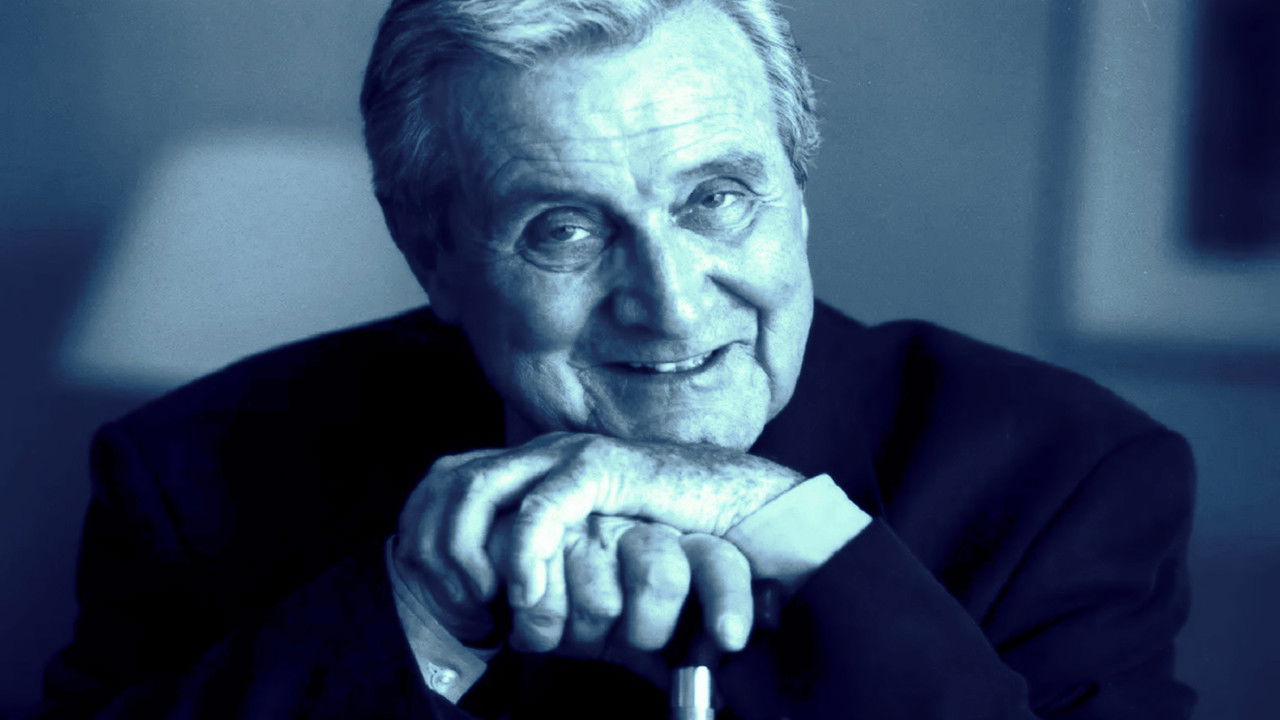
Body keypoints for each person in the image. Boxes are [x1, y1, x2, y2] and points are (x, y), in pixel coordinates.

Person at [39, 0, 1196, 718]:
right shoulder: (195, 472)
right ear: (431, 254)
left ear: (797, 194)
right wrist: (415, 613)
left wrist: (781, 523)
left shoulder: (1062, 475)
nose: (670, 303)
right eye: (562, 229)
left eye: (716, 198)